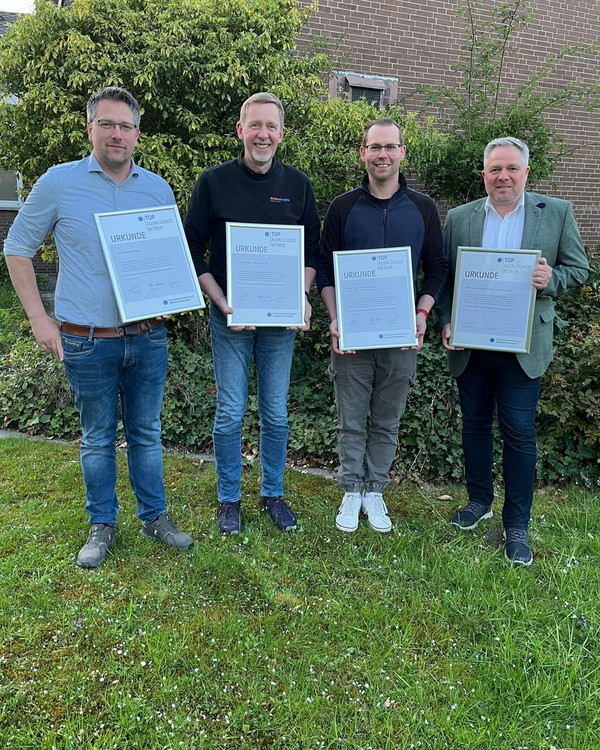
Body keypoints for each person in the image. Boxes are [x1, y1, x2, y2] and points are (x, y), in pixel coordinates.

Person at [3, 86, 193, 568]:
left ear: (137, 134)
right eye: (106, 124)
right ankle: (102, 524)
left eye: (125, 126)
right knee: (96, 437)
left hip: (147, 338)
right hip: (87, 341)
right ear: (90, 128)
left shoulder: (157, 189)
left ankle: (154, 517)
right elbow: (17, 247)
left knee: (147, 433)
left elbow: (167, 258)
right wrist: (39, 319)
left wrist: (170, 295)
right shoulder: (58, 183)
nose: (116, 134)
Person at [433, 136, 590, 566]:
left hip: (522, 345)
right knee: (474, 426)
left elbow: (579, 269)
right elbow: (445, 277)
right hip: (471, 343)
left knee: (519, 434)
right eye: (495, 169)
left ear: (526, 172)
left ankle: (516, 523)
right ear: (484, 175)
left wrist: (551, 280)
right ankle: (479, 500)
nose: (503, 176)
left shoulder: (556, 213)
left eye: (511, 169)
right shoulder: (460, 217)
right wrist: (445, 319)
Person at [183, 92, 320, 535]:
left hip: (280, 322)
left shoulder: (298, 185)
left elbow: (312, 251)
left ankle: (273, 494)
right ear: (241, 130)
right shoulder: (213, 181)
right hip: (231, 318)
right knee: (229, 412)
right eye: (255, 125)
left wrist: (301, 296)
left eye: (271, 126)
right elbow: (192, 249)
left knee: (275, 413)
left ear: (282, 133)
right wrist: (220, 301)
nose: (263, 134)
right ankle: (229, 499)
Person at [317, 118, 447, 533]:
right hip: (352, 335)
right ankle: (350, 488)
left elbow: (437, 268)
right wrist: (335, 318)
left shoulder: (423, 208)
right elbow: (324, 269)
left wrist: (422, 313)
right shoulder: (343, 207)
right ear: (363, 154)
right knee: (351, 419)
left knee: (388, 419)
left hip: (399, 336)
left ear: (402, 153)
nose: (383, 154)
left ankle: (374, 490)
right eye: (375, 147)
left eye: (390, 147)